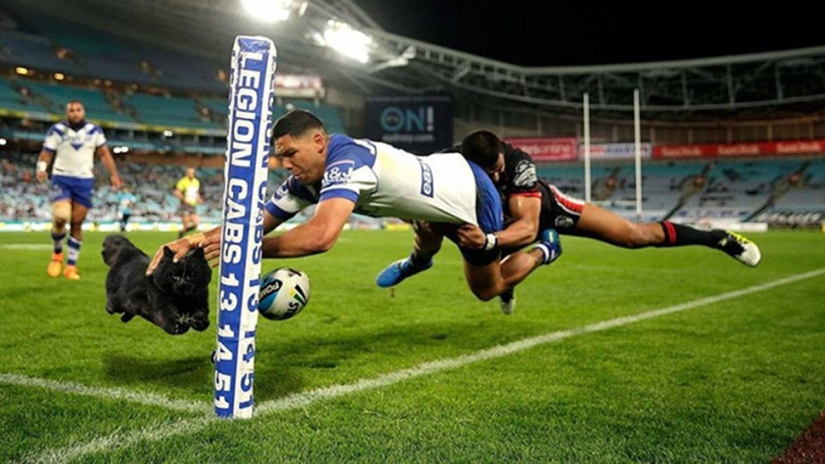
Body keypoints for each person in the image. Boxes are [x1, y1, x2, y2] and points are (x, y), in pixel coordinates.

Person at [147, 109, 560, 302]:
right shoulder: (308, 177)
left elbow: (320, 237)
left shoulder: (347, 163)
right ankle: (418, 262)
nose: (285, 164)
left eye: (290, 154)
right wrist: (196, 241)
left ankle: (545, 249)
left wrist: (244, 247)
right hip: (438, 186)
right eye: (280, 156)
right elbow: (258, 223)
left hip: (472, 194)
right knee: (425, 229)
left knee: (488, 289)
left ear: (319, 142)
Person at [376, 130, 762, 314]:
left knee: (633, 235)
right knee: (475, 279)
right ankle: (417, 263)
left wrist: (490, 243)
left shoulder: (517, 163)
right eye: (487, 173)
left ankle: (717, 238)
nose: (495, 177)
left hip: (540, 211)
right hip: (484, 222)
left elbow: (526, 226)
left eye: (497, 169)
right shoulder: (450, 163)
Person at [36, 99, 122, 280]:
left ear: (83, 112)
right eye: (71, 110)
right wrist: (42, 167)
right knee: (61, 217)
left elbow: (104, 153)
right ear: (67, 113)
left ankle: (71, 267)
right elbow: (47, 152)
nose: (75, 113)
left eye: (78, 110)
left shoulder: (94, 131)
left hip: (84, 181)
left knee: (76, 223)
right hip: (62, 177)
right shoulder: (57, 130)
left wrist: (113, 174)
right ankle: (57, 255)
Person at [173, 167, 202, 238]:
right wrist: (183, 199)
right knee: (186, 224)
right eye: (189, 173)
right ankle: (180, 238)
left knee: (196, 223)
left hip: (192, 205)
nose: (191, 174)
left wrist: (199, 198)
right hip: (185, 206)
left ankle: (182, 233)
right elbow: (177, 192)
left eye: (192, 173)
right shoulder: (183, 182)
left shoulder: (196, 182)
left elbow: (196, 192)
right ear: (187, 173)